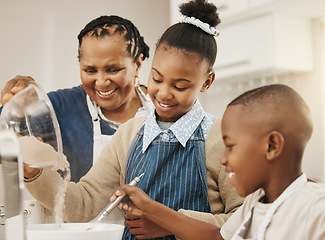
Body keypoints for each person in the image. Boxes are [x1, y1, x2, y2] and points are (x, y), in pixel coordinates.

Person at [23, 0, 243, 239]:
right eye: (157, 79)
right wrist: (34, 174)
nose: (164, 93)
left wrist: (170, 223)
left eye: (179, 86)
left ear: (207, 82)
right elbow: (84, 205)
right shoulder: (128, 134)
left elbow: (245, 220)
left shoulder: (223, 137)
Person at [112, 84, 325, 240]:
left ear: (271, 146)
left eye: (231, 146)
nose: (223, 158)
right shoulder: (256, 202)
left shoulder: (317, 209)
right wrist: (148, 207)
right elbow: (217, 237)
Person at [0, 15, 152, 182]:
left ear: (137, 65)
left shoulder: (163, 107)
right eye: (90, 71)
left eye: (113, 69)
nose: (101, 82)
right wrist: (20, 108)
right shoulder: (60, 108)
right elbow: (6, 139)